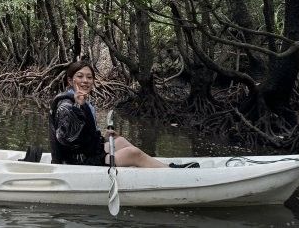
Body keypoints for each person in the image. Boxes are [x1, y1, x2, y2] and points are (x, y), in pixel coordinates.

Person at [49, 61, 196, 168]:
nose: (85, 81)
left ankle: (162, 166)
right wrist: (77, 108)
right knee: (133, 153)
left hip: (87, 152)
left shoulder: (83, 100)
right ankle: (169, 172)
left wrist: (102, 136)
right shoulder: (66, 106)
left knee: (120, 141)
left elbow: (84, 134)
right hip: (76, 160)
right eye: (80, 76)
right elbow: (66, 139)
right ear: (70, 80)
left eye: (89, 77)